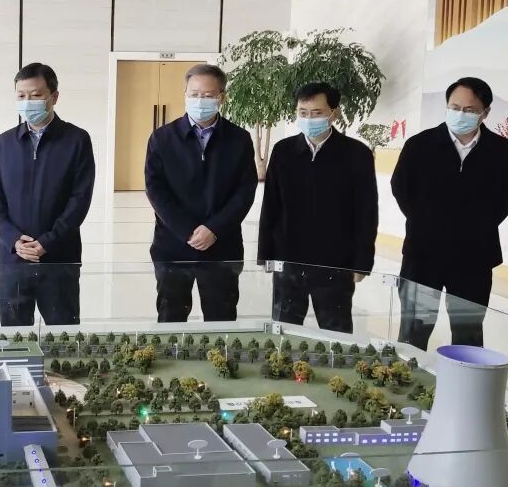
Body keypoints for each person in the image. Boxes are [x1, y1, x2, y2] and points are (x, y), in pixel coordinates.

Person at [391, 77, 508, 348]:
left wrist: (474, 228)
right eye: (455, 107)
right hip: (422, 257)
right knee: (414, 332)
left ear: (485, 112)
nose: (460, 114)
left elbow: (506, 199)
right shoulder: (419, 146)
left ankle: (463, 377)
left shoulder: (503, 152)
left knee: (467, 335)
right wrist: (426, 223)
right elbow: (401, 189)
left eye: (469, 110)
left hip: (474, 259)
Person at [258, 82, 378, 333]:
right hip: (289, 259)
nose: (309, 119)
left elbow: (366, 212)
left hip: (335, 262)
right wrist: (266, 254)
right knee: (285, 329)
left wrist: (362, 262)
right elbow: (270, 206)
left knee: (337, 331)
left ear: (334, 113)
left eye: (317, 113)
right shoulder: (283, 151)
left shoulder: (356, 154)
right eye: (303, 112)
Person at [0, 63, 96, 327]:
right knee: (14, 336)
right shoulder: (4, 143)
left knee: (63, 334)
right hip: (13, 259)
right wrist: (14, 239)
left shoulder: (76, 140)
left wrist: (48, 241)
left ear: (54, 97)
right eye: (21, 95)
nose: (27, 102)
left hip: (59, 258)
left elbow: (80, 199)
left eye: (35, 95)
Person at [145, 63, 257, 322]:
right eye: (194, 94)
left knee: (221, 317)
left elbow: (245, 191)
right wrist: (187, 230)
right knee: (171, 316)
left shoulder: (239, 139)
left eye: (207, 95)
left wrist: (214, 228)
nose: (200, 101)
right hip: (173, 244)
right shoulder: (162, 138)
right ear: (185, 94)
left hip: (222, 245)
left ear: (222, 97)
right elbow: (155, 188)